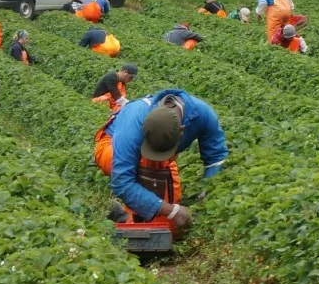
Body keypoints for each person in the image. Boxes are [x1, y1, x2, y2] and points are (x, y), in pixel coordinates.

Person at [93, 90, 228, 231]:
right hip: (110, 148)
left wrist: (206, 196)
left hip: (158, 161)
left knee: (171, 220)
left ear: (181, 131)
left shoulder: (202, 114)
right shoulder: (133, 124)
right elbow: (121, 182)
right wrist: (171, 210)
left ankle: (127, 217)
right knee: (160, 217)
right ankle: (133, 225)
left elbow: (216, 158)